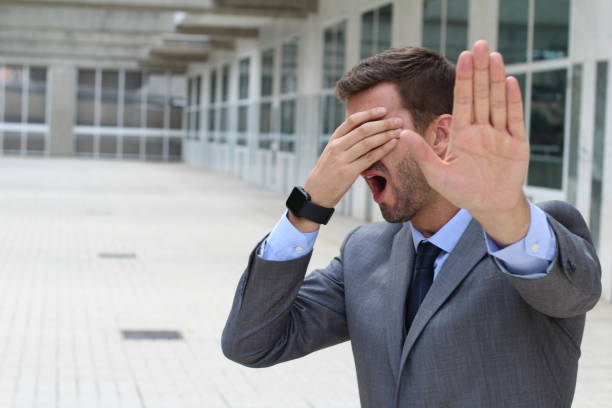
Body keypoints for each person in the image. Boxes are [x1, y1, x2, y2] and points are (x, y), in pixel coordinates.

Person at [221, 40, 601, 407]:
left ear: (440, 135)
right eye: (350, 141)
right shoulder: (365, 252)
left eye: (374, 135)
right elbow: (252, 342)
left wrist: (505, 213)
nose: (360, 159)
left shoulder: (531, 236)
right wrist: (308, 206)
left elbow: (571, 294)